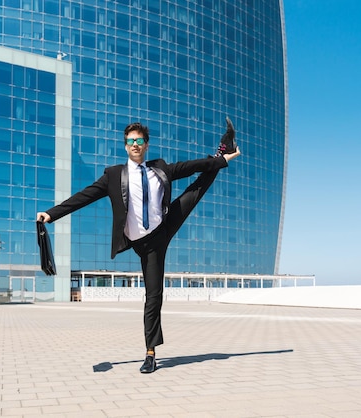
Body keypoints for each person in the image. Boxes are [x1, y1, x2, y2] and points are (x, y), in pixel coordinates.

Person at [37, 118, 240, 373]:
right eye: (130, 141)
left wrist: (221, 160)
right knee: (150, 296)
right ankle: (220, 155)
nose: (135, 144)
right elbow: (83, 197)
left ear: (146, 145)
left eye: (139, 140)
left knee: (194, 191)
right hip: (139, 241)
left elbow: (192, 166)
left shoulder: (160, 168)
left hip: (161, 232)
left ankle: (150, 353)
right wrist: (51, 214)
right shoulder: (113, 176)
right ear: (125, 146)